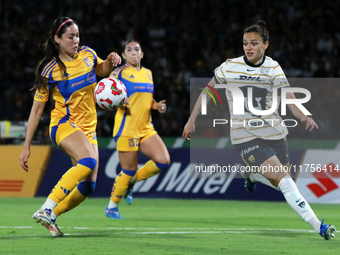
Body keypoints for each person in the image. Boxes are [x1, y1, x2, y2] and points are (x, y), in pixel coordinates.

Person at [182, 20, 336, 240]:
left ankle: (252, 175)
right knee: (285, 180)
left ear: (266, 45)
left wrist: (303, 116)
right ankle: (319, 226)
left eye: (254, 43)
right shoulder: (230, 66)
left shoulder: (273, 68)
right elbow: (208, 91)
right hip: (244, 135)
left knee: (282, 182)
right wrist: (192, 119)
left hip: (274, 132)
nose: (248, 47)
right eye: (245, 43)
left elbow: (288, 97)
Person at [19, 17, 121, 237]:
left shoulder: (88, 54)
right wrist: (26, 146)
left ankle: (52, 215)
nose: (76, 40)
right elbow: (36, 111)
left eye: (77, 35)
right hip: (64, 124)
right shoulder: (50, 70)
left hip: (88, 128)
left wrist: (111, 61)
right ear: (57, 39)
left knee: (87, 187)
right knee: (88, 160)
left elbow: (102, 70)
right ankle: (46, 207)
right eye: (71, 36)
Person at [104, 40, 170, 219]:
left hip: (146, 128)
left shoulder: (148, 73)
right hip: (127, 127)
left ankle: (131, 183)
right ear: (124, 55)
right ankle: (111, 207)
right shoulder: (119, 73)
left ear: (142, 54)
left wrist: (156, 106)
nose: (134, 53)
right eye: (129, 50)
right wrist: (115, 101)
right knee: (128, 169)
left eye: (137, 50)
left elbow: (147, 99)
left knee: (163, 161)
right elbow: (104, 94)